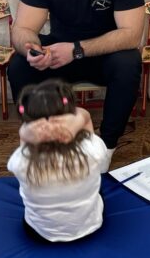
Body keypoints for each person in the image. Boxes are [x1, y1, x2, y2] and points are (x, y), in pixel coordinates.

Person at [8, 0, 144, 156]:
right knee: (19, 64)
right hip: (58, 53)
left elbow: (131, 36)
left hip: (103, 55)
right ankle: (42, 137)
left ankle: (107, 145)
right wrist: (33, 50)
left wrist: (77, 49)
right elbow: (22, 29)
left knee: (129, 62)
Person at [7, 79, 110, 243]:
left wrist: (29, 131)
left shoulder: (20, 162)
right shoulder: (92, 150)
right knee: (98, 187)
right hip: (89, 227)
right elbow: (85, 117)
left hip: (39, 233)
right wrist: (75, 122)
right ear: (70, 116)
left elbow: (24, 141)